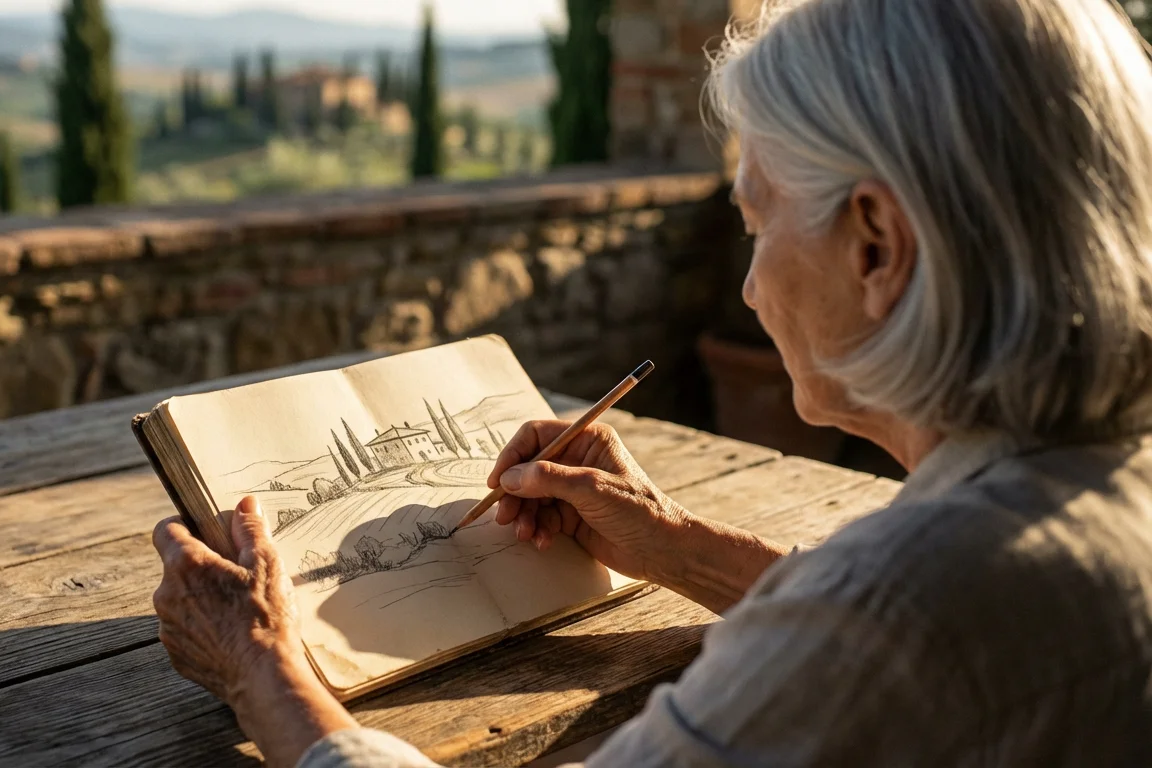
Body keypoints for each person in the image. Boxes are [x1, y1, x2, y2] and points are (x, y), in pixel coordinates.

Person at [149, 0, 1152, 764]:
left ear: (875, 245)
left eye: (754, 226)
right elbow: (916, 634)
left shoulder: (905, 602)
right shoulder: (1104, 489)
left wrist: (265, 670)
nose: (751, 289)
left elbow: (890, 627)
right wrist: (672, 542)